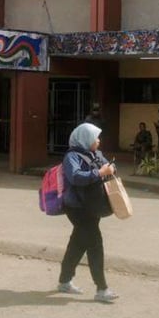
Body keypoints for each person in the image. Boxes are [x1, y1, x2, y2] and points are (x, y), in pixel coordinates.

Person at [56, 122, 119, 303]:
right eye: (94, 138)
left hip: (93, 205)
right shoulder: (72, 156)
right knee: (95, 243)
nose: (98, 141)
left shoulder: (95, 154)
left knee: (78, 242)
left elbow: (107, 167)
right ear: (85, 139)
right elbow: (75, 177)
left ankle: (64, 281)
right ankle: (102, 288)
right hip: (77, 207)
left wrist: (111, 169)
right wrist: (99, 172)